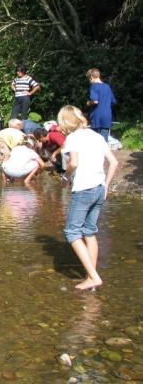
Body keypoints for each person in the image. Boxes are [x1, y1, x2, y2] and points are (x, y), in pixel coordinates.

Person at [57, 105, 118, 290]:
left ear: (66, 122)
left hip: (83, 188)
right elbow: (114, 162)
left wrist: (65, 178)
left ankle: (93, 277)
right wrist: (106, 186)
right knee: (89, 232)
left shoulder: (73, 137)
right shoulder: (96, 135)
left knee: (72, 232)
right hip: (99, 187)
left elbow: (73, 163)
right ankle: (90, 275)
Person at [86, 68, 116, 142]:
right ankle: (104, 153)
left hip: (97, 116)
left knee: (95, 139)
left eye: (89, 79)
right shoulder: (107, 87)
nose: (90, 81)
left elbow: (95, 101)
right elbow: (113, 101)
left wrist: (89, 103)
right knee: (104, 140)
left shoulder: (94, 86)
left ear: (91, 77)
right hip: (107, 115)